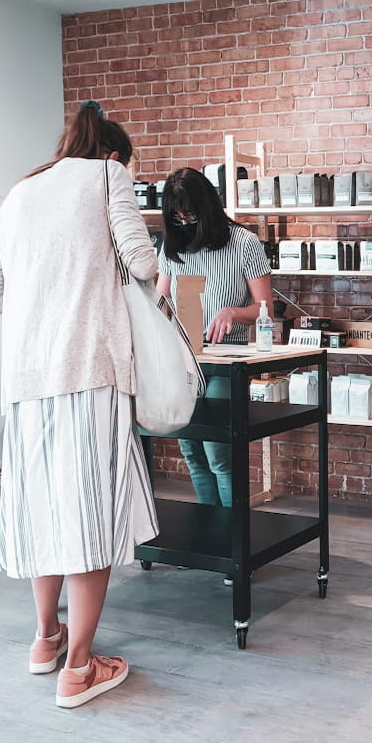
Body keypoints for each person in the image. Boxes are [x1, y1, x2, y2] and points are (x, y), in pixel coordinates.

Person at [0, 100, 158, 708]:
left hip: (26, 381)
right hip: (89, 370)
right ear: (111, 153)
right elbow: (142, 262)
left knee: (44, 512)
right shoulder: (110, 176)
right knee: (91, 520)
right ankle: (79, 669)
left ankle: (45, 639)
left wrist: (45, 291)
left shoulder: (21, 192)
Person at [157, 167, 273, 509]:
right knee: (191, 450)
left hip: (225, 362)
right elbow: (160, 302)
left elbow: (266, 308)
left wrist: (234, 312)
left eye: (190, 214)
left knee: (219, 454)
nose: (184, 223)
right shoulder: (172, 246)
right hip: (182, 360)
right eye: (176, 218)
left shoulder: (244, 243)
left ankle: (232, 541)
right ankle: (208, 532)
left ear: (207, 207)